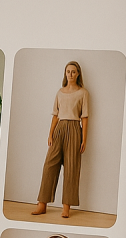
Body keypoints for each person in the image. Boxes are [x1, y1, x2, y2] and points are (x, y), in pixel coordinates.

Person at [33, 61, 89, 218]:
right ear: (65, 74)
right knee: (49, 165)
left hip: (74, 129)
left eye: (73, 72)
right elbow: (55, 115)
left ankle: (66, 207)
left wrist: (84, 139)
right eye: (68, 71)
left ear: (78, 74)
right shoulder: (59, 92)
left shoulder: (83, 93)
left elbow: (84, 117)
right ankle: (42, 204)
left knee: (71, 169)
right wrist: (50, 134)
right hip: (59, 129)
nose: (70, 74)